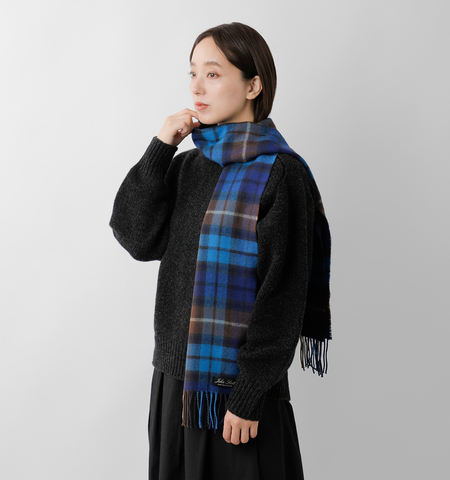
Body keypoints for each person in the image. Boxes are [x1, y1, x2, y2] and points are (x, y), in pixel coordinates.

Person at [110, 22, 331, 480]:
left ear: (253, 85)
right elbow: (135, 236)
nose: (196, 87)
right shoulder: (189, 165)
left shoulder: (280, 173)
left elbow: (282, 295)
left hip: (239, 396)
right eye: (192, 73)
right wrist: (160, 148)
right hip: (176, 383)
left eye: (212, 74)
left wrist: (248, 396)